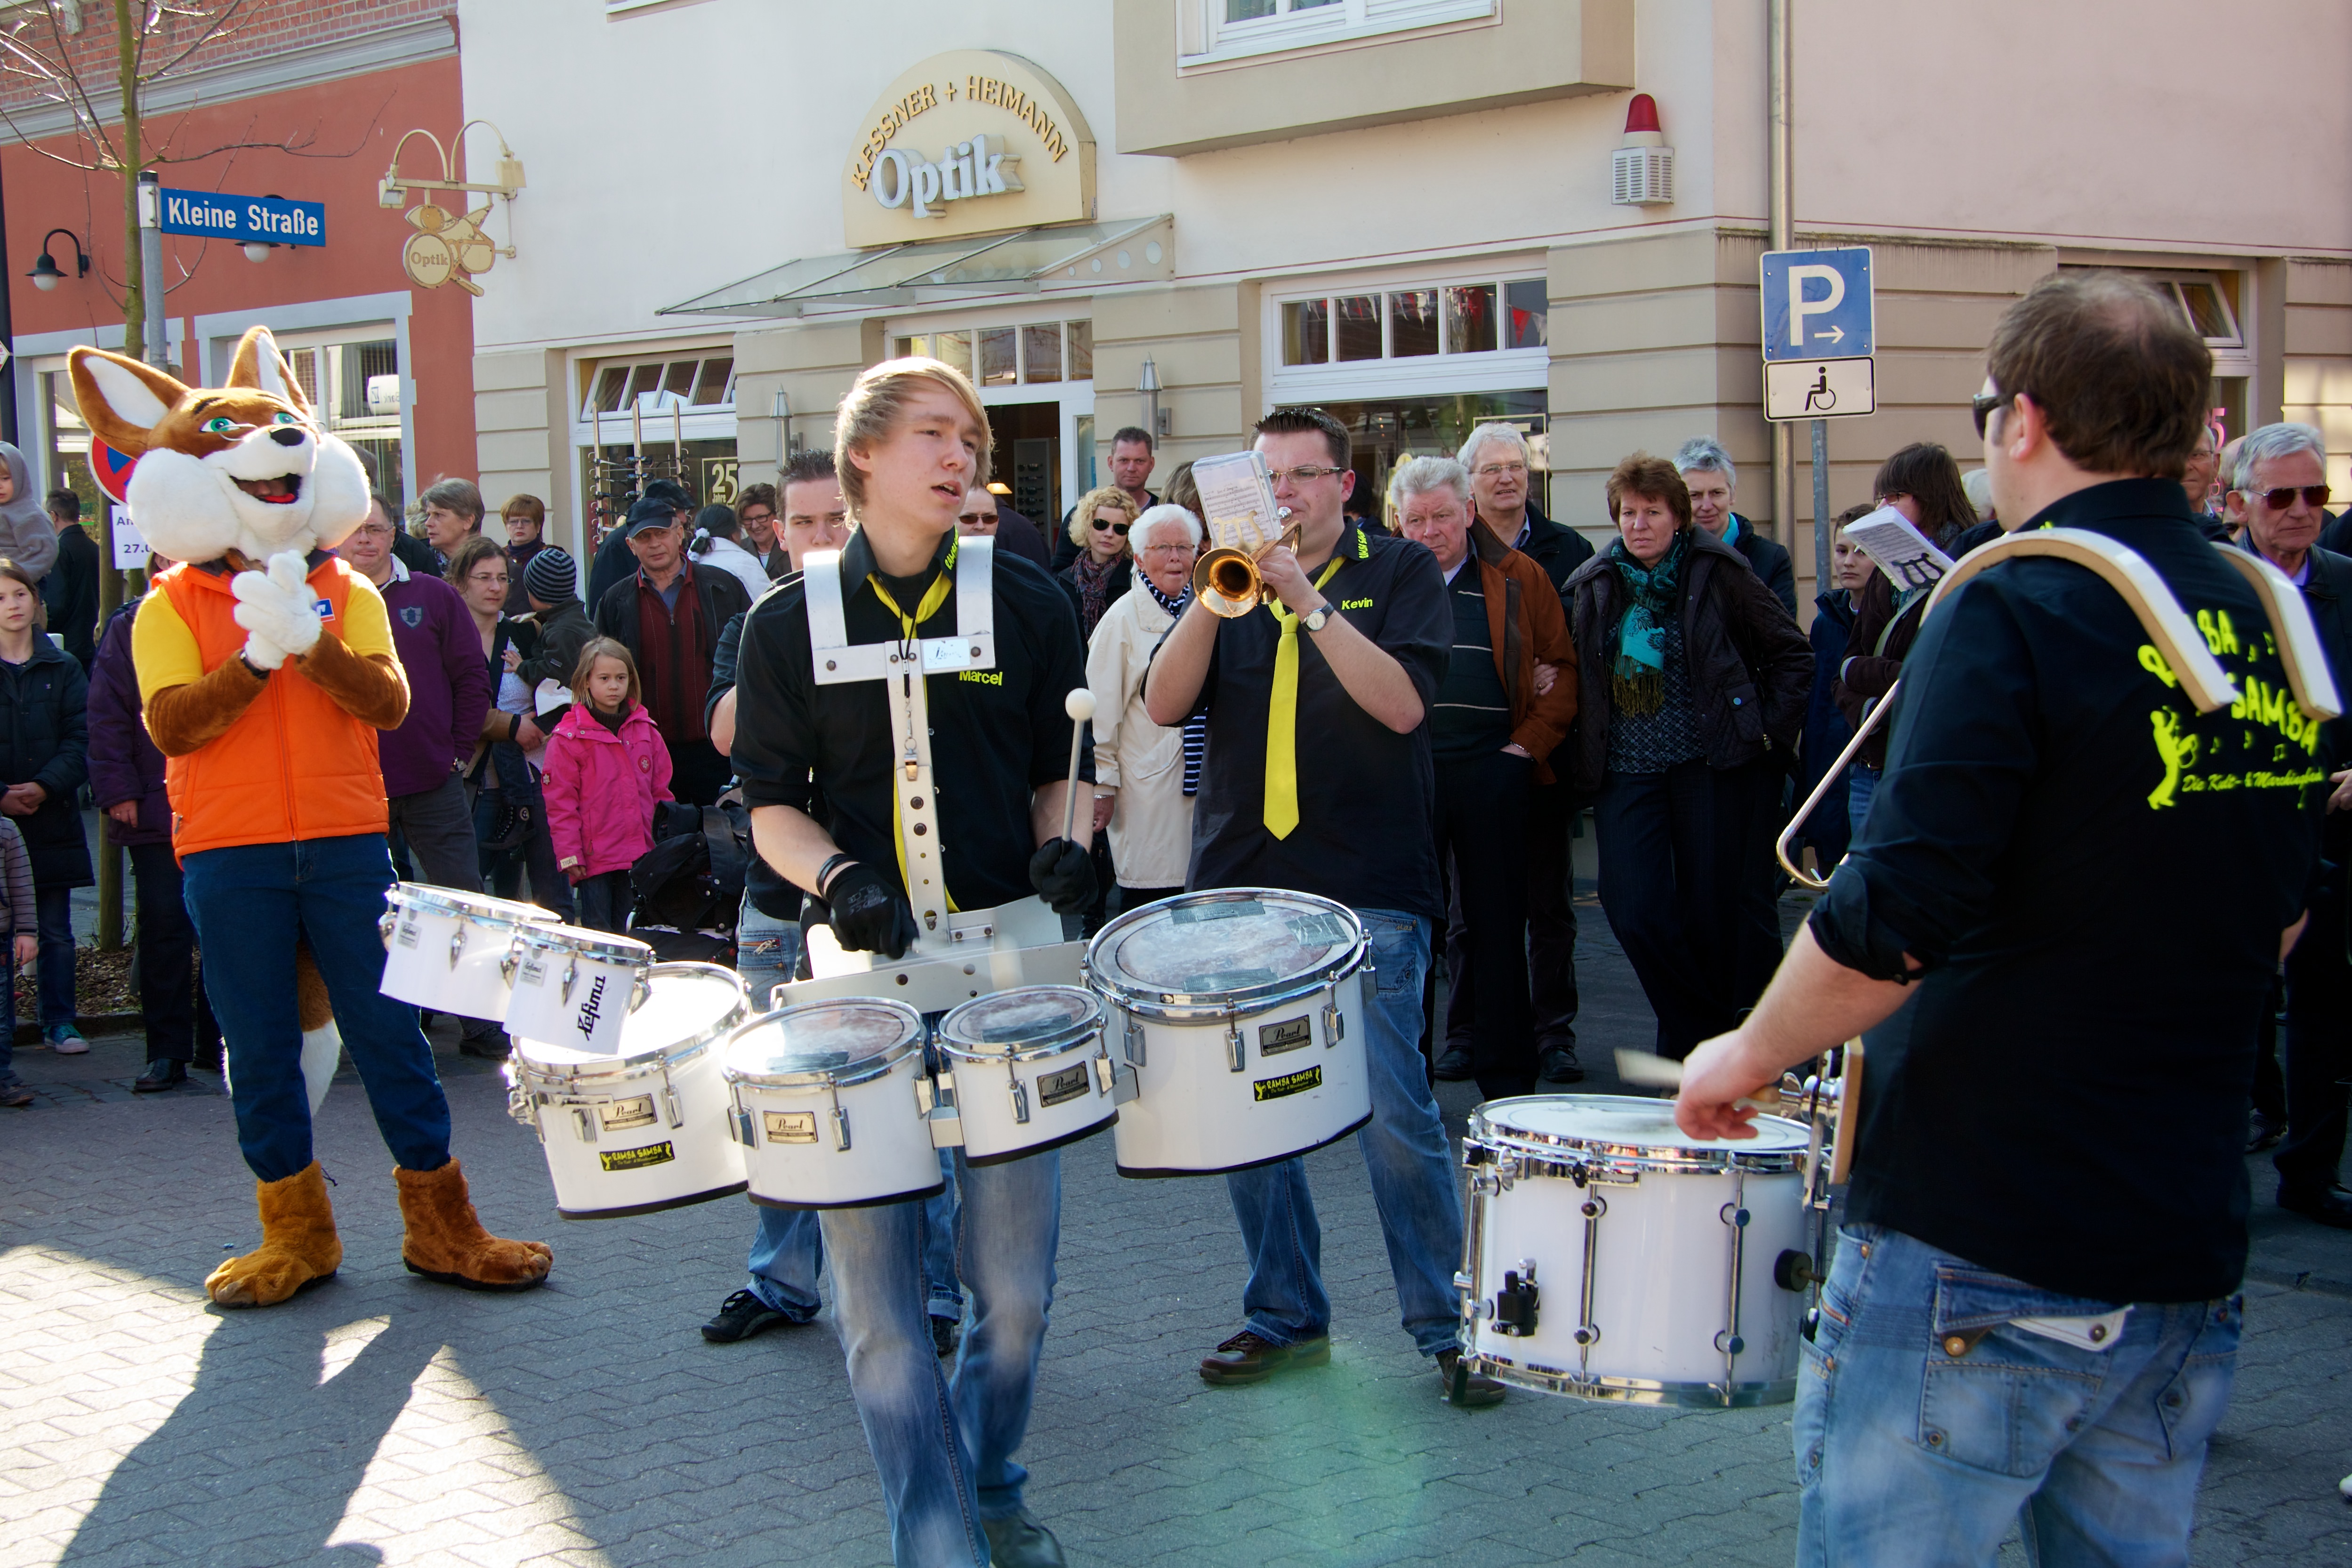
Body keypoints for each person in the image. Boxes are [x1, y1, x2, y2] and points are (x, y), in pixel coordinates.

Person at [1676, 268, 2328, 1568]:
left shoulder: (2013, 596)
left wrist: (1742, 1053)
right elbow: (2279, 916)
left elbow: (1893, 917)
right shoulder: (2260, 605)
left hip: (1982, 1235)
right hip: (2181, 1234)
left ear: (2021, 419)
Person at [731, 355, 1096, 1568]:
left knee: (1015, 1295)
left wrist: (1066, 846)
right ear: (865, 455)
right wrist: (838, 879)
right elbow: (769, 804)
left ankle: (989, 1484)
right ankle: (937, 1543)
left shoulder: (1028, 600)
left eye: (971, 438)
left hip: (1009, 979)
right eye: (935, 433)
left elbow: (1058, 774)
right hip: (859, 989)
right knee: (882, 1313)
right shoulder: (783, 622)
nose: (960, 456)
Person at [1142, 405, 1505, 1409]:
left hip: (1369, 884)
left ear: (1344, 484)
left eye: (1303, 476)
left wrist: (1304, 598)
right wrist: (1215, 599)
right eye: (1268, 478)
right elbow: (1163, 705)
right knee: (1246, 1116)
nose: (1284, 494)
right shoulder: (1226, 579)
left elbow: (1403, 705)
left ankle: (1450, 1326)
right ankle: (1285, 1314)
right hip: (1239, 882)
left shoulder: (1399, 571)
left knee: (1392, 1114)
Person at [1561, 453, 1812, 1061]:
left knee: (1711, 914)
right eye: (1628, 513)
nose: (1639, 524)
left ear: (1677, 516)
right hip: (1626, 770)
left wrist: (1765, 737)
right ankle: (1705, 1031)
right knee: (1633, 908)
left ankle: (1690, 1054)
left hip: (1711, 767)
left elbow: (1792, 656)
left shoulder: (1719, 571)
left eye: (1652, 512)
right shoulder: (1595, 582)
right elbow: (1575, 668)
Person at [1392, 456, 1578, 1101]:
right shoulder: (1382, 581)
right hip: (1404, 775)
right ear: (1398, 521)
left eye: (1443, 516)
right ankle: (1408, 1080)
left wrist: (1523, 751)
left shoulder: (1520, 574)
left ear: (1469, 512)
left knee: (1499, 926)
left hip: (1493, 770)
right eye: (1415, 520)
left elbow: (1562, 669)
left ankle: (1507, 1082)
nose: (1430, 531)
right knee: (1409, 932)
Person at [2226, 422, 2352, 1229]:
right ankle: (2213, 1171)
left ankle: (2310, 1171)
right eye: (2282, 496)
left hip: (2332, 828)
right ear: (2240, 502)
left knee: (2325, 1010)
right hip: (2234, 828)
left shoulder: (2345, 582)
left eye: (2316, 494)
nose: (2302, 510)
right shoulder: (2208, 582)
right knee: (2228, 1004)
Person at [1445, 421, 1593, 1083]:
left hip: (1534, 761)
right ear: (1469, 487)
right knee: (1468, 912)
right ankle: (1466, 1032)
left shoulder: (1565, 550)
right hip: (1465, 765)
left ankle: (1553, 1035)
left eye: (1516, 466)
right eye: (1492, 468)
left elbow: (1569, 659)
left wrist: (1526, 734)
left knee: (1547, 906)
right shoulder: (1438, 554)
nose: (1507, 478)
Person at [336, 499, 502, 1058]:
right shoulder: (320, 600)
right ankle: (388, 1026)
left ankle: (481, 1023)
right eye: (355, 530)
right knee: (366, 911)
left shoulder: (432, 596)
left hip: (433, 781)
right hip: (352, 787)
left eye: (375, 529)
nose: (365, 539)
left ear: (393, 536)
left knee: (462, 899)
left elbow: (471, 678)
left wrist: (456, 753)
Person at [88, 558, 218, 1091]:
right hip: (156, 800)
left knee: (228, 926)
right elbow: (107, 712)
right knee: (165, 925)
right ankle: (167, 1051)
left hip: (225, 801)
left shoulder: (235, 611)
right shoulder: (131, 623)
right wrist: (119, 790)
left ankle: (218, 1043)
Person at [1834, 443, 1981, 831]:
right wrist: (1867, 711)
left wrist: (1877, 680)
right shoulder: (1885, 570)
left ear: (1929, 496)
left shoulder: (1968, 566)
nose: (1883, 507)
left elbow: (1938, 674)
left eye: (1894, 496)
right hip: (1870, 762)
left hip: (1926, 763)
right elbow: (1846, 667)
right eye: (1879, 498)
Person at [593, 494, 751, 807]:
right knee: (659, 836)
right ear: (631, 546)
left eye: (661, 533)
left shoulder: (722, 588)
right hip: (647, 751)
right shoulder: (615, 602)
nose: (654, 544)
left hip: (718, 750)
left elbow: (752, 661)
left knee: (723, 834)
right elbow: (599, 672)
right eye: (644, 537)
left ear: (679, 534)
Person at [1085, 503, 1202, 914]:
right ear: (1138, 557)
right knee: (1152, 902)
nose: (1175, 558)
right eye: (1163, 548)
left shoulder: (1206, 608)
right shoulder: (1121, 619)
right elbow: (1100, 713)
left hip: (1203, 783)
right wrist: (1103, 786)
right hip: (1148, 787)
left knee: (1200, 899)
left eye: (1184, 547)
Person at [450, 537, 570, 923]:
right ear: (461, 582)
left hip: (533, 772)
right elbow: (450, 707)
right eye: (484, 577)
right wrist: (511, 725)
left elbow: (562, 690)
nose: (495, 587)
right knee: (468, 891)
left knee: (542, 891)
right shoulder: (447, 636)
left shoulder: (526, 633)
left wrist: (539, 723)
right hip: (475, 778)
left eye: (502, 578)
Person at [0, 557, 91, 1059]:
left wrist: (43, 785)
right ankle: (4, 1030)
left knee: (56, 930)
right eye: (0, 598)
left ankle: (59, 1020)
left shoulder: (64, 666)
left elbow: (82, 737)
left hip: (51, 816)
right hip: (0, 822)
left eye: (20, 594)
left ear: (36, 601)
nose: (12, 605)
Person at [544, 637, 670, 933]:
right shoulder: (568, 740)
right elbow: (561, 804)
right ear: (586, 681)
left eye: (621, 678)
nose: (614, 686)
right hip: (594, 859)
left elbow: (661, 794)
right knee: (599, 935)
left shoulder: (646, 732)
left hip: (641, 855)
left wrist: (664, 844)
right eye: (604, 679)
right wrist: (570, 854)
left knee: (635, 930)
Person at [1792, 510, 1875, 873]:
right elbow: (1817, 710)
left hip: (1866, 772)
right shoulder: (1826, 621)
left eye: (1861, 551)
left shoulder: (1889, 620)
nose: (1848, 561)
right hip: (1828, 774)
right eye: (1842, 550)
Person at [1676, 436, 1797, 616]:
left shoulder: (1771, 559)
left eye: (1716, 493)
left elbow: (1783, 629)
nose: (1707, 506)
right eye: (1695, 496)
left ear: (1732, 494)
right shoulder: (1666, 556)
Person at [1051, 426, 1159, 571]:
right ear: (1110, 462)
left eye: (1139, 461)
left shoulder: (1165, 515)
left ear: (1151, 464)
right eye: (1124, 460)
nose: (1131, 468)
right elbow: (1061, 569)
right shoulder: (1084, 513)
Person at [513, 546, 594, 731]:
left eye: (529, 591)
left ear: (542, 595)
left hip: (569, 712)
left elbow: (552, 674)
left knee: (509, 743)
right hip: (572, 708)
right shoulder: (569, 618)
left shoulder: (564, 631)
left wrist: (522, 667)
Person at [587, 476, 693, 611]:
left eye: (684, 511)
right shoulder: (615, 546)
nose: (684, 518)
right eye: (676, 510)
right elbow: (602, 605)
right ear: (631, 545)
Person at [1058, 483, 1138, 641]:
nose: (1109, 534)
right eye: (1101, 524)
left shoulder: (1135, 580)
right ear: (1086, 525)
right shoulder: (1066, 581)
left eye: (1120, 529)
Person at [40, 490, 98, 669]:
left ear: (53, 516)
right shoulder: (95, 548)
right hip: (95, 642)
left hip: (69, 646)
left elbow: (56, 606)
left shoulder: (58, 551)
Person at [0, 813, 34, 1106]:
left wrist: (26, 931)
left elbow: (21, 885)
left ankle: (1, 1074)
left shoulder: (5, 829)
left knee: (0, 1018)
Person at [688, 504, 776, 602]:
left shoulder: (688, 562)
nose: (755, 526)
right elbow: (770, 604)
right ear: (734, 534)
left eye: (761, 517)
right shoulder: (745, 563)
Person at [0, 445, 58, 583]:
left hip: (23, 583)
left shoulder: (30, 515)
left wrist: (18, 578)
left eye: (5, 478)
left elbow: (44, 554)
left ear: (20, 477)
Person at [958, 485, 1050, 569]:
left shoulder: (1016, 570)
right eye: (969, 518)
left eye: (989, 518)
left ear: (997, 523)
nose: (980, 526)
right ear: (953, 521)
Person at [416, 477, 487, 574]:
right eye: (429, 515)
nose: (428, 523)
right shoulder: (416, 563)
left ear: (468, 521)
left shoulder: (496, 565)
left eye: (439, 515)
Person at [499, 494, 549, 614]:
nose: (519, 526)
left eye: (526, 521)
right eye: (513, 522)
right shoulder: (498, 556)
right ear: (506, 526)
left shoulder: (550, 556)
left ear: (538, 526)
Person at [736, 482, 790, 579]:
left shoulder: (792, 547)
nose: (755, 526)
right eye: (748, 519)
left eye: (761, 517)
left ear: (777, 515)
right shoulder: (739, 550)